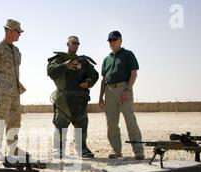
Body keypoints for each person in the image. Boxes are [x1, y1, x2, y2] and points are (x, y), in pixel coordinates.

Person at [47, 36, 99, 159]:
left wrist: (88, 81)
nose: (75, 45)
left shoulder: (84, 62)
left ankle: (82, 148)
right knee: (61, 124)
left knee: (81, 125)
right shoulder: (59, 59)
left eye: (77, 43)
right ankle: (58, 149)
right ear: (68, 44)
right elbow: (51, 71)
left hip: (80, 100)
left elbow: (94, 74)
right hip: (63, 99)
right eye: (73, 43)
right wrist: (65, 66)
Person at [0, 19, 26, 159]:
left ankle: (13, 149)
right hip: (2, 93)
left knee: (15, 121)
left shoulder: (17, 51)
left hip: (15, 92)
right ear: (9, 31)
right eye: (17, 31)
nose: (19, 34)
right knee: (0, 121)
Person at [98, 31, 145, 160]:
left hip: (123, 89)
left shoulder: (128, 55)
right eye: (110, 41)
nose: (112, 42)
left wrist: (127, 90)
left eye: (115, 40)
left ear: (120, 41)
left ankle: (139, 151)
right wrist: (100, 97)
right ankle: (116, 150)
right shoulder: (106, 59)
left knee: (130, 120)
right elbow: (103, 79)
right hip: (109, 91)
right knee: (111, 123)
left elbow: (134, 73)